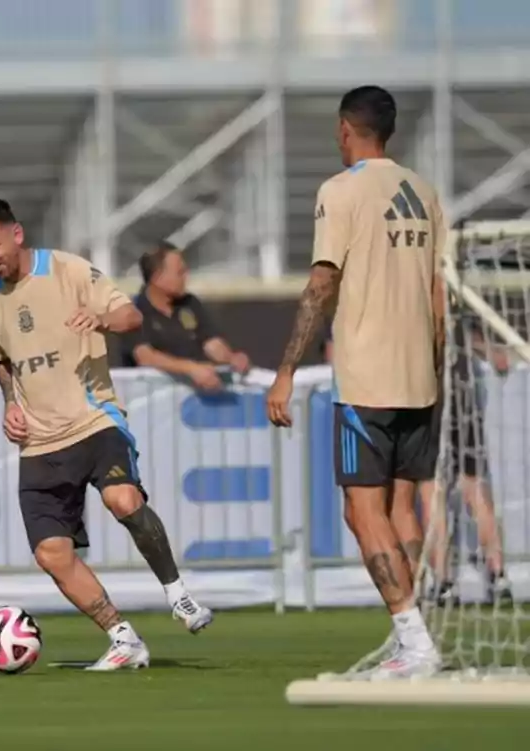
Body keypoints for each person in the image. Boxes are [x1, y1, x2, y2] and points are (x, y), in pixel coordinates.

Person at [0, 195, 214, 672]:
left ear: (16, 233)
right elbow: (3, 363)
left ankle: (178, 595)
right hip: (38, 442)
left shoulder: (69, 270)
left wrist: (99, 319)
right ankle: (123, 638)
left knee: (123, 500)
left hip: (94, 421)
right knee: (51, 554)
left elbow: (132, 317)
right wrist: (11, 405)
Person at [266, 85, 446, 677]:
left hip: (366, 376)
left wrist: (287, 370)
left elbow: (322, 282)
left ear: (346, 129)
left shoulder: (340, 191)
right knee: (400, 510)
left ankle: (414, 640)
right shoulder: (424, 192)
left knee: (361, 513)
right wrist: (436, 368)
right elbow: (438, 296)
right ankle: (415, 631)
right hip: (419, 374)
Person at [420, 301, 513, 605]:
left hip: (430, 399)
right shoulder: (452, 295)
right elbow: (472, 336)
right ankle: (498, 576)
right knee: (472, 487)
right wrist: (492, 352)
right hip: (462, 398)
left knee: (433, 490)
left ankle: (445, 581)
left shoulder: (411, 289)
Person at [123, 242, 251, 392]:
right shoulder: (131, 311)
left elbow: (211, 343)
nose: (186, 277)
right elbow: (146, 357)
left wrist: (231, 358)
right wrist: (191, 369)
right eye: (180, 272)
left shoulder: (190, 304)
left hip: (196, 399)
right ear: (157, 277)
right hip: (151, 402)